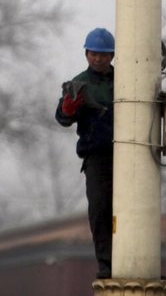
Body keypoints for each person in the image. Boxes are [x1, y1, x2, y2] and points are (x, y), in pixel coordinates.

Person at [55, 26, 116, 280]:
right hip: (97, 157)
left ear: (112, 55)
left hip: (128, 155)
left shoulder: (128, 80)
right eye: (94, 54)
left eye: (104, 54)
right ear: (87, 54)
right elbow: (62, 118)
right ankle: (106, 265)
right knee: (100, 209)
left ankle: (137, 260)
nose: (99, 59)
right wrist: (69, 108)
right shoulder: (78, 83)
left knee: (133, 211)